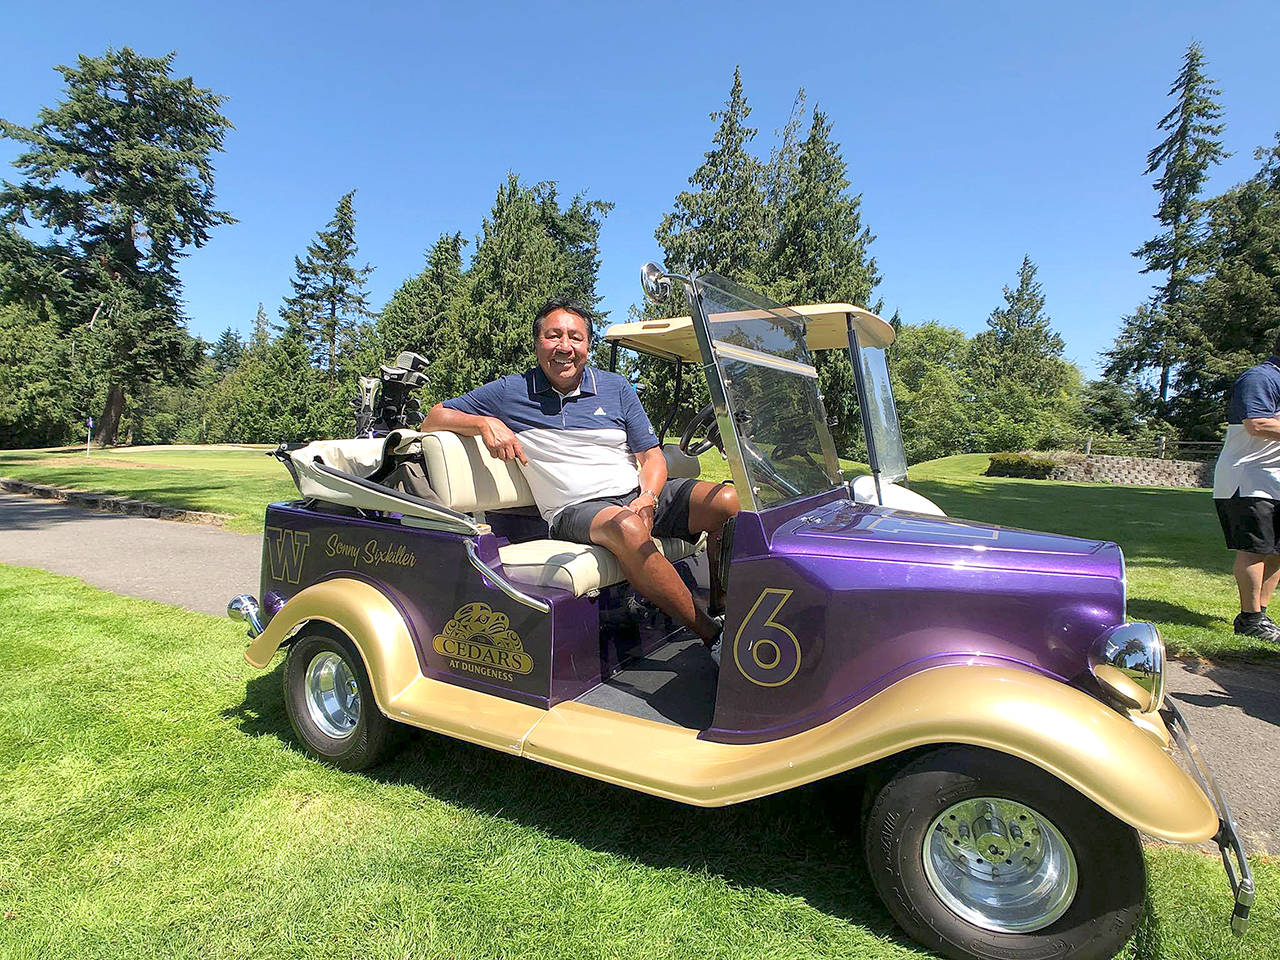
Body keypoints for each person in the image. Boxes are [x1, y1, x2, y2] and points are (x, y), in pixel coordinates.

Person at [422, 297, 739, 657]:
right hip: (574, 510)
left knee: (727, 503)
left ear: (588, 345)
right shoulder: (511, 391)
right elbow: (433, 417)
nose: (564, 347)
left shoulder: (617, 388)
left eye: (575, 337)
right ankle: (714, 638)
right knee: (628, 527)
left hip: (635, 495)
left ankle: (722, 605)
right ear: (537, 343)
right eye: (553, 336)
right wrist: (483, 422)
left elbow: (651, 457)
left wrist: (648, 497)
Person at [1212, 339, 1280, 643]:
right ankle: (1250, 619)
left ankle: (1260, 615)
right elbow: (1257, 423)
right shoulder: (1260, 378)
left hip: (1274, 482)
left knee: (1276, 552)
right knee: (1255, 549)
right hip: (1248, 480)